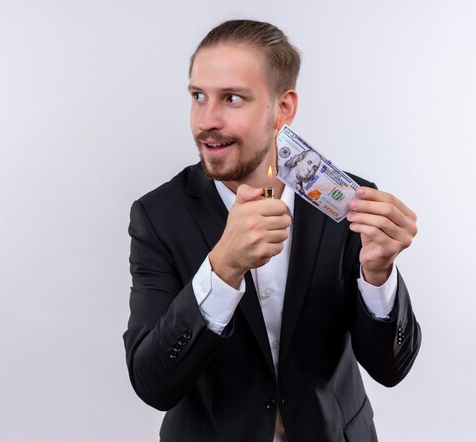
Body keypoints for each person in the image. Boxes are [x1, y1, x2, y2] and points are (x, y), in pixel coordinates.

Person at [124, 19, 421, 442]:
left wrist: (378, 277)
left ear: (283, 108)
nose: (206, 120)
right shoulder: (158, 216)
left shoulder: (350, 204)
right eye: (198, 96)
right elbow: (153, 383)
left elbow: (391, 370)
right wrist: (222, 268)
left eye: (232, 98)